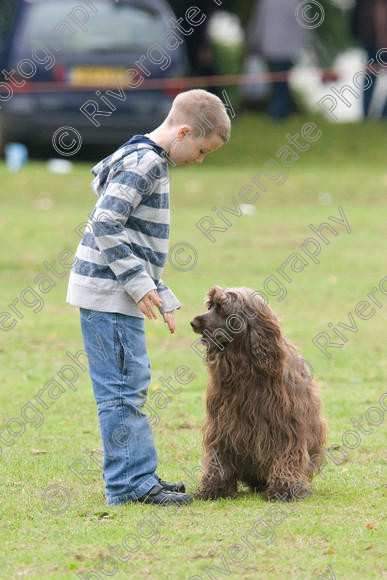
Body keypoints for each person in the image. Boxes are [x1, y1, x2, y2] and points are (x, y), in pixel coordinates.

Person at [66, 89, 231, 506]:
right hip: (109, 294)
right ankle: (130, 485)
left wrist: (158, 288)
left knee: (130, 385)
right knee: (123, 389)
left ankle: (140, 474)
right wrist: (140, 285)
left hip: (114, 289)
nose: (198, 159)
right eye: (200, 150)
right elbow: (106, 222)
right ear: (184, 131)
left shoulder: (137, 155)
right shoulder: (147, 164)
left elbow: (133, 235)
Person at [247, 0, 311, 120]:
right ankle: (277, 115)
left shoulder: (266, 2)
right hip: (287, 49)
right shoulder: (295, 3)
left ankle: (278, 114)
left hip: (269, 48)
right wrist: (303, 45)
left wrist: (254, 42)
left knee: (277, 84)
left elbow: (258, 23)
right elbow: (303, 25)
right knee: (281, 84)